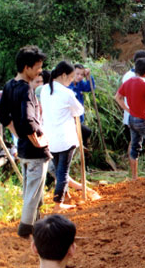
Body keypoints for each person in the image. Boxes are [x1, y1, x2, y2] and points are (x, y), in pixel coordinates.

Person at [0, 45, 51, 238]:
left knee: (31, 187)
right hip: (34, 150)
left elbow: (2, 113)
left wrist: (16, 133)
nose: (40, 71)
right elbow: (29, 121)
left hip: (23, 148)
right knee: (33, 192)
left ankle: (36, 224)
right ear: (27, 67)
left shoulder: (10, 85)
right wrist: (36, 139)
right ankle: (26, 228)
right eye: (37, 67)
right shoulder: (26, 89)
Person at [41, 61, 84, 212]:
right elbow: (78, 110)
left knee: (60, 170)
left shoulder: (45, 89)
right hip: (65, 139)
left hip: (51, 139)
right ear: (64, 75)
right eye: (71, 77)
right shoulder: (67, 93)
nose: (72, 80)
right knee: (63, 171)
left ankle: (64, 196)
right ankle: (58, 203)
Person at [68, 63, 94, 148]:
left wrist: (88, 77)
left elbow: (89, 88)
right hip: (71, 119)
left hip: (79, 117)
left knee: (82, 137)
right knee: (86, 132)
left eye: (82, 74)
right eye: (77, 74)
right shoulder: (68, 86)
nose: (79, 76)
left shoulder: (80, 83)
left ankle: (83, 154)